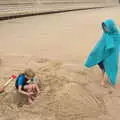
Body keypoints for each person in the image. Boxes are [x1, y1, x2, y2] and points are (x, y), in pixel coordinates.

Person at [84, 19, 120, 87]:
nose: (105, 29)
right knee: (102, 64)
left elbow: (117, 44)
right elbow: (100, 44)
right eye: (104, 27)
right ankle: (103, 78)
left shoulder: (117, 35)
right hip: (102, 53)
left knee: (110, 65)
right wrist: (96, 52)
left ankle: (106, 78)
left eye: (106, 27)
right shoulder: (105, 34)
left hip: (111, 54)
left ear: (111, 27)